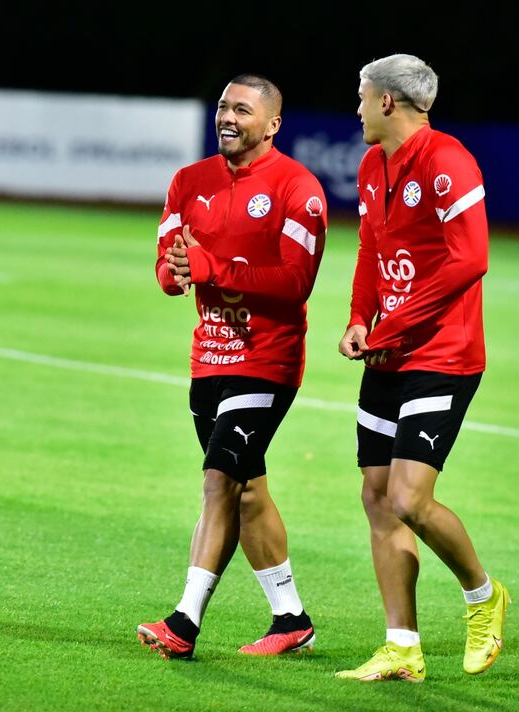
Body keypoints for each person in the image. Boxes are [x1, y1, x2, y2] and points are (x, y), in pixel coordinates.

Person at [138, 74, 328, 660]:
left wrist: (214, 267)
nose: (227, 116)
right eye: (223, 105)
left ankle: (184, 622)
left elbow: (297, 283)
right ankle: (290, 617)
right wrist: (177, 270)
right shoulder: (188, 181)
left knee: (219, 480)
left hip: (267, 361)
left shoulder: (300, 189)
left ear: (271, 124)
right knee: (245, 494)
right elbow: (170, 274)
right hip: (209, 357)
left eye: (242, 109)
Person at [335, 54, 509, 683]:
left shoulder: (446, 161)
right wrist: (360, 317)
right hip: (388, 349)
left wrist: (395, 325)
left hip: (442, 355)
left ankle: (482, 595)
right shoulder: (370, 165)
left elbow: (470, 261)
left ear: (387, 101)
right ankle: (401, 645)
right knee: (377, 498)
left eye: (361, 96)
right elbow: (370, 251)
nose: (355, 107)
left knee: (410, 498)